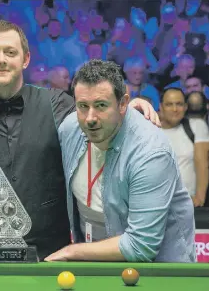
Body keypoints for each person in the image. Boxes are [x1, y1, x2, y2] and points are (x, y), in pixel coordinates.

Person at [0, 20, 160, 260]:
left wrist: (127, 110)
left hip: (52, 252)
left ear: (26, 59)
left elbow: (96, 117)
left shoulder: (56, 103)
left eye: (10, 52)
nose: (1, 59)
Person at [45, 60, 195, 263]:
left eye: (101, 105)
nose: (90, 118)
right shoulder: (70, 128)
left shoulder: (150, 152)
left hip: (159, 271)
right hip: (95, 264)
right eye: (82, 106)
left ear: (122, 104)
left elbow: (141, 246)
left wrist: (72, 252)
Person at [160, 88, 209, 207]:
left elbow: (202, 164)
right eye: (169, 104)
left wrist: (200, 198)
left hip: (188, 203)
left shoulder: (197, 126)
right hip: (157, 204)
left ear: (186, 107)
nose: (175, 109)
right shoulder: (151, 131)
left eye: (179, 104)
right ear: (161, 107)